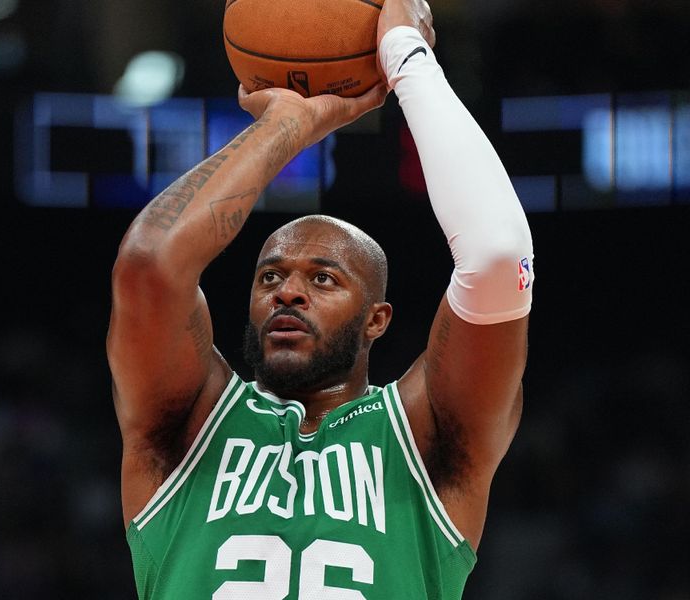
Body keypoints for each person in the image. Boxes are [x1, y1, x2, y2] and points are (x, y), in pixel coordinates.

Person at [107, 0, 534, 597]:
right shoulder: (187, 424)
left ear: (376, 320)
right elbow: (150, 266)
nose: (288, 291)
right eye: (269, 277)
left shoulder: (424, 434)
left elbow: (497, 257)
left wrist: (406, 57)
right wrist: (286, 126)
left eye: (324, 279)